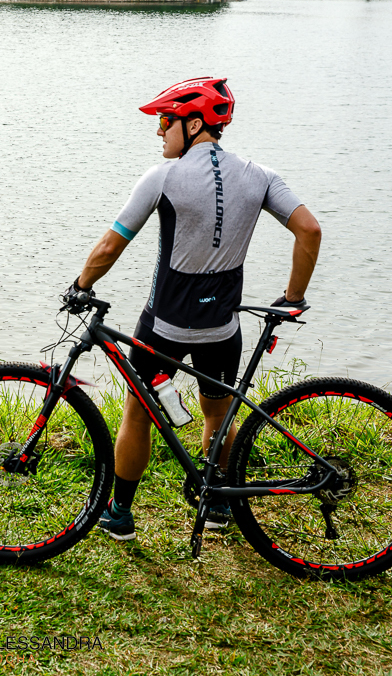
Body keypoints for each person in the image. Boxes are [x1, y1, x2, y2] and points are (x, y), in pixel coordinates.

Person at [66, 77, 321, 540]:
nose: (159, 131)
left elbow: (109, 246)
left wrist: (81, 284)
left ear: (196, 123)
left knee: (138, 413)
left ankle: (119, 514)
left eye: (166, 121)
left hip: (162, 326)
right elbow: (310, 230)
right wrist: (293, 297)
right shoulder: (260, 176)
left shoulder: (162, 177)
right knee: (218, 415)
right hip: (221, 327)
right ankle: (218, 503)